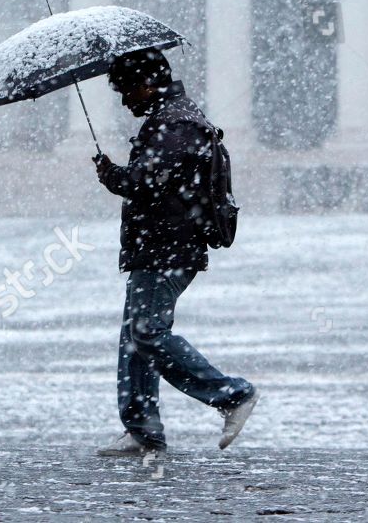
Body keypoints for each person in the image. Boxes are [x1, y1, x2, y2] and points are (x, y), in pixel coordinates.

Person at [92, 48, 258, 457]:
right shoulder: (171, 119)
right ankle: (143, 430)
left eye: (126, 90)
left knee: (147, 333)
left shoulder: (175, 124)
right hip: (157, 245)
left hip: (168, 246)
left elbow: (149, 182)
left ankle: (231, 394)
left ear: (147, 84)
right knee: (135, 337)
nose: (124, 100)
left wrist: (113, 176)